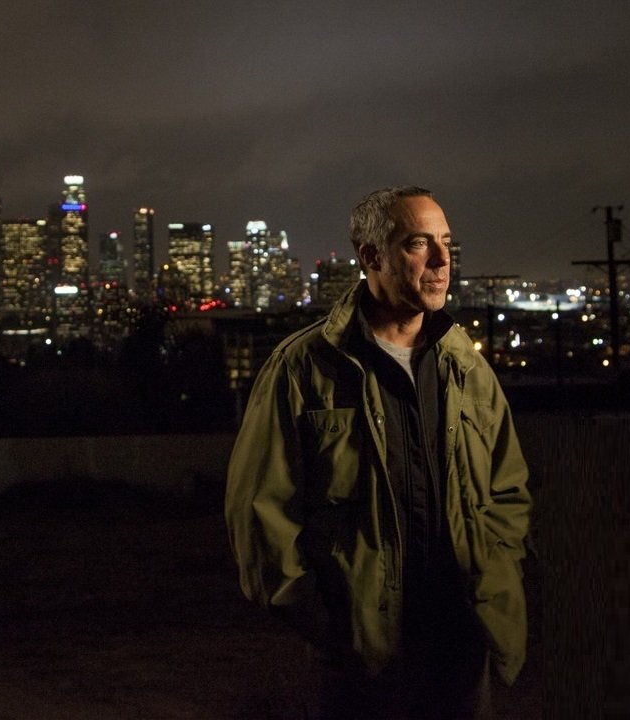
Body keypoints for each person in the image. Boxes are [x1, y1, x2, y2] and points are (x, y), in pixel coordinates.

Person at [225, 186, 533, 719]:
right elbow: (259, 513)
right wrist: (327, 622)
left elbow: (508, 491)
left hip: (460, 646)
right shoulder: (303, 369)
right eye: (419, 243)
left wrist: (495, 576)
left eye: (446, 242)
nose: (442, 261)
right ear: (371, 256)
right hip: (361, 659)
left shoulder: (466, 368)